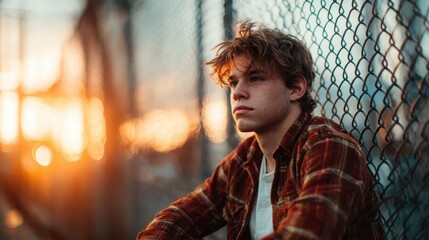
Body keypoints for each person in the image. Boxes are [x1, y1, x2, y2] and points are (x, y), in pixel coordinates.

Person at [137, 21, 384, 240]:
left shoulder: (329, 147)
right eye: (233, 82)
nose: (236, 92)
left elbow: (306, 232)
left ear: (296, 88)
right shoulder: (244, 161)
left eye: (255, 78)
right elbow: (181, 216)